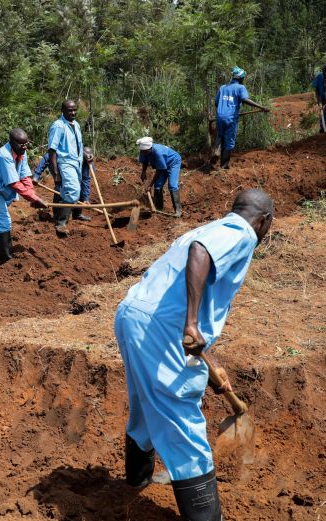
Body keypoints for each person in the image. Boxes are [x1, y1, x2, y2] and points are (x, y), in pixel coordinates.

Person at [114, 189, 274, 521]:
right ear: (264, 221)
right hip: (163, 328)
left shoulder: (209, 227)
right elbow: (200, 255)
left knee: (145, 406)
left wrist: (207, 354)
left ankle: (135, 484)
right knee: (182, 419)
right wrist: (190, 324)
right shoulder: (241, 234)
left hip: (134, 315)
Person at [0, 129, 48, 264]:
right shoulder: (4, 156)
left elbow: (24, 175)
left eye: (26, 144)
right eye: (21, 145)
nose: (25, 147)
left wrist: (32, 194)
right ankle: (6, 260)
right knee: (3, 222)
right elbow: (14, 183)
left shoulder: (22, 152)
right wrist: (34, 199)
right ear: (12, 143)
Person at [214, 66, 270, 169]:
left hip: (220, 116)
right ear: (240, 78)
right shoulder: (240, 88)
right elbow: (245, 100)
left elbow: (216, 102)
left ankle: (216, 150)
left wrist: (223, 109)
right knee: (229, 141)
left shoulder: (223, 87)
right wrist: (262, 107)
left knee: (219, 135)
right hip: (231, 118)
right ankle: (224, 166)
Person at [47, 99, 84, 235]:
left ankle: (57, 217)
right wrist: (56, 173)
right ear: (62, 110)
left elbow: (78, 145)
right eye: (70, 110)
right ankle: (61, 223)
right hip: (65, 162)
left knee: (66, 191)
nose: (73, 113)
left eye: (75, 110)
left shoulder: (76, 125)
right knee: (72, 190)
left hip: (76, 162)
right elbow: (52, 151)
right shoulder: (58, 126)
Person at [136, 137, 183, 217]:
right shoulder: (143, 151)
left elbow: (159, 171)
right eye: (143, 152)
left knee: (172, 185)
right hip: (162, 165)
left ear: (150, 149)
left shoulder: (158, 152)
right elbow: (145, 161)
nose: (144, 153)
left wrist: (150, 185)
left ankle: (178, 210)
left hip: (173, 162)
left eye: (146, 152)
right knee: (157, 186)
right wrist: (143, 172)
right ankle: (159, 208)